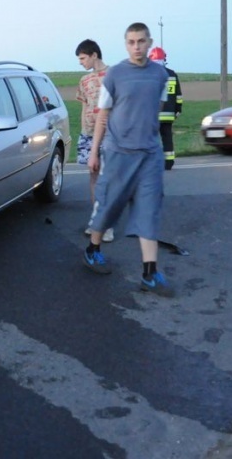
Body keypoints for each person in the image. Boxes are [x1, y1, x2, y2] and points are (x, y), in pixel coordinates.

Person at [82, 22, 173, 297]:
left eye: (141, 41)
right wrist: (94, 152)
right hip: (118, 153)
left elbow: (156, 110)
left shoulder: (160, 75)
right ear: (126, 44)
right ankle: (93, 249)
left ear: (149, 42)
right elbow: (103, 115)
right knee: (108, 206)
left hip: (149, 155)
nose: (137, 47)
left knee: (149, 210)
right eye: (132, 42)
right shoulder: (115, 74)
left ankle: (150, 273)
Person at [75, 39, 114, 243]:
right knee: (94, 176)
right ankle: (97, 219)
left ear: (94, 55)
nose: (81, 62)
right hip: (89, 134)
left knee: (107, 179)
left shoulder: (114, 75)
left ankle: (107, 225)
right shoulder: (84, 80)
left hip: (111, 135)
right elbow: (84, 107)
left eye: (83, 58)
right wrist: (84, 131)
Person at [148, 46, 183, 170]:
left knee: (152, 139)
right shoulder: (172, 74)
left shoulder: (149, 74)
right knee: (167, 137)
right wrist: (178, 109)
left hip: (154, 114)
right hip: (168, 114)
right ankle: (169, 162)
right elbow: (178, 96)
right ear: (164, 59)